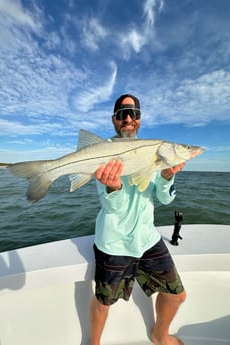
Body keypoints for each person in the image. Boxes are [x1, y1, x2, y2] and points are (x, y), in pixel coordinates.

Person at [90, 94, 186, 345]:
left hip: (147, 238)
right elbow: (113, 208)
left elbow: (164, 199)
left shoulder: (152, 151)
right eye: (123, 114)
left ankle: (159, 335)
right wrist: (113, 188)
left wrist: (166, 176)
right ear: (114, 119)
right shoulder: (103, 153)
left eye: (134, 113)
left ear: (140, 119)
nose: (129, 119)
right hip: (114, 242)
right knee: (103, 301)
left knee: (177, 294)